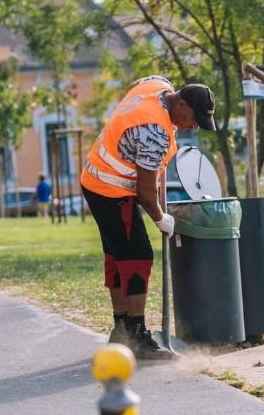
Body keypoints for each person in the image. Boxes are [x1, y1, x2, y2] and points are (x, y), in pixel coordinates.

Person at [81, 75, 216, 360]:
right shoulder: (154, 131)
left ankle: (121, 330)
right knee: (137, 256)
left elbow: (143, 82)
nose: (193, 127)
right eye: (193, 119)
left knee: (118, 255)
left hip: (95, 179)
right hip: (111, 188)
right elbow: (144, 190)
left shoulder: (157, 86)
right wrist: (160, 218)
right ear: (180, 104)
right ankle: (136, 335)